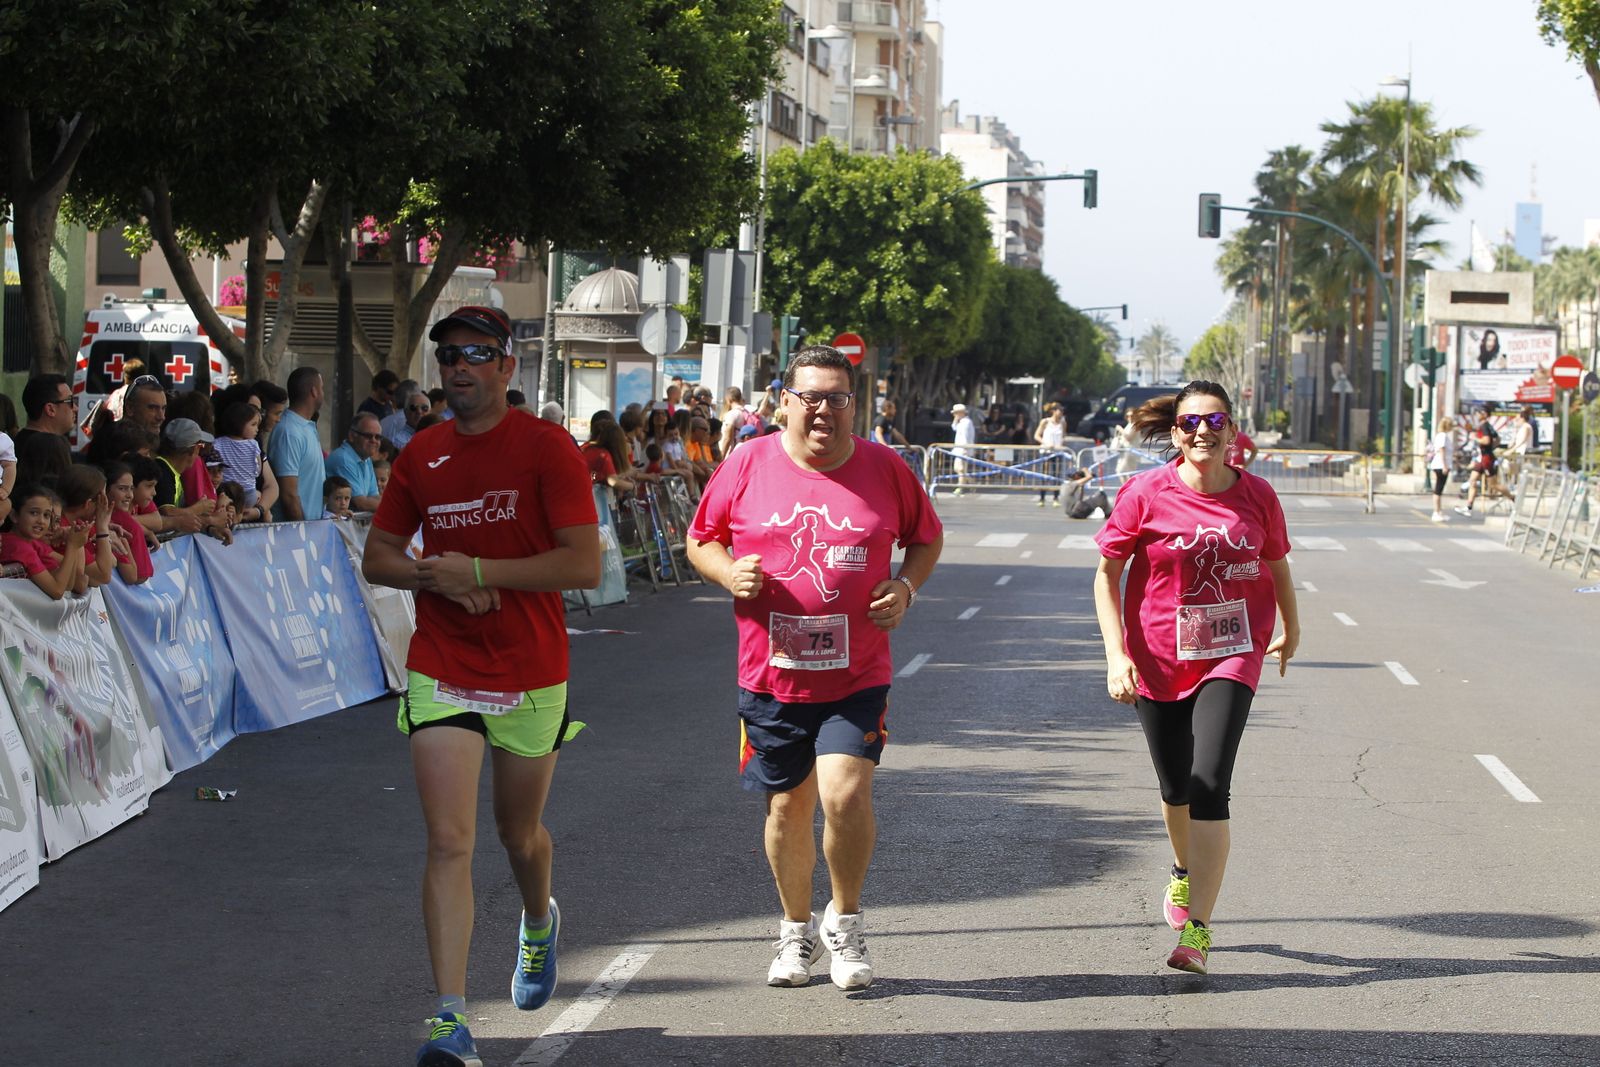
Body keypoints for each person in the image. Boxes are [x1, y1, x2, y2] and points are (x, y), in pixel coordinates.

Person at [361, 304, 600, 1067]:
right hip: (444, 662)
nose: (458, 366)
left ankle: (537, 922)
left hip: (530, 666)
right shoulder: (421, 454)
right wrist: (437, 575)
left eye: (475, 353)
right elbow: (380, 556)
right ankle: (450, 1019)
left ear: (507, 367)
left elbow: (581, 565)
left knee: (516, 834)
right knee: (448, 838)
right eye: (448, 355)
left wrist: (480, 572)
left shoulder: (546, 448)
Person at [685, 345, 944, 992]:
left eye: (837, 397)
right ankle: (794, 931)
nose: (824, 410)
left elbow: (927, 536)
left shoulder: (886, 468)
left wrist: (905, 588)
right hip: (770, 674)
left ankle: (847, 921)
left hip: (855, 672)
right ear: (785, 404)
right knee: (786, 809)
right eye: (811, 397)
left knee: (845, 792)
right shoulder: (747, 461)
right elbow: (701, 538)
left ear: (854, 403)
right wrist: (726, 571)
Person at [1092, 381, 1299, 977]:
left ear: (1233, 431)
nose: (1202, 432)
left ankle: (1199, 932)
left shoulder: (1258, 495)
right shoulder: (1144, 494)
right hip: (1157, 655)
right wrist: (1116, 654)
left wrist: (1292, 625)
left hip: (1233, 650)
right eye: (1190, 424)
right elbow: (1107, 576)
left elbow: (1277, 563)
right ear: (1176, 434)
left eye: (1215, 421)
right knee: (1176, 785)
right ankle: (1183, 871)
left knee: (1210, 781)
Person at [1, 486, 87, 599]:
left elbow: (69, 585)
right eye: (34, 513)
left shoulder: (34, 544)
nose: (41, 521)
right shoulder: (18, 546)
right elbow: (57, 591)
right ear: (14, 515)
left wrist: (75, 546)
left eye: (46, 515)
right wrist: (72, 546)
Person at [267, 367, 326, 522]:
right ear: (314, 391)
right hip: (295, 536)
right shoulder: (289, 431)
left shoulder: (306, 426)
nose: (323, 393)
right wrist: (302, 531)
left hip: (312, 531)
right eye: (322, 388)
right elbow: (289, 494)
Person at [14, 374, 76, 489]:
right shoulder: (50, 449)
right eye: (70, 401)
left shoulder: (14, 443)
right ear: (50, 409)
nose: (75, 408)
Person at [214, 402, 269, 523]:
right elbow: (258, 470)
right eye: (253, 424)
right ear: (239, 424)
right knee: (259, 495)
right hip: (249, 496)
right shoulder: (253, 445)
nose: (257, 429)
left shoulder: (217, 443)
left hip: (225, 493)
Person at [103, 461, 154, 584]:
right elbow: (139, 576)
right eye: (122, 489)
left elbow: (141, 575)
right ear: (105, 489)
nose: (129, 495)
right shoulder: (126, 524)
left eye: (131, 489)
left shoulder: (127, 523)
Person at [324, 413, 383, 512]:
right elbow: (362, 503)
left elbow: (374, 496)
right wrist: (396, 508)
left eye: (378, 437)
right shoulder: (343, 459)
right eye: (368, 436)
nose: (374, 441)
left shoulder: (366, 458)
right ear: (352, 436)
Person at [1455, 409, 1500, 518]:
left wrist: (1476, 438)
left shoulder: (1484, 426)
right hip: (1482, 458)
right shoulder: (1487, 426)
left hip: (1486, 458)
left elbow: (1487, 440)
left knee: (1493, 485)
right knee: (1473, 480)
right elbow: (1497, 438)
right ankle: (1469, 507)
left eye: (1477, 413)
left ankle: (1512, 498)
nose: (1476, 415)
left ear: (1484, 414)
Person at [1033, 404, 1068, 505]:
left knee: (1056, 474)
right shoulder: (1045, 422)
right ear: (1054, 411)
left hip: (1057, 452)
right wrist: (1046, 443)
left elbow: (1064, 435)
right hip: (1046, 451)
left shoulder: (1062, 422)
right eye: (1059, 411)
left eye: (1062, 412)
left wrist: (1062, 443)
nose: (1061, 413)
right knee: (1044, 474)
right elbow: (1036, 435)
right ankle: (1042, 498)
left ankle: (1055, 498)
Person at [382, 383, 432, 452]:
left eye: (424, 408)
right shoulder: (398, 442)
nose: (419, 412)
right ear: (405, 412)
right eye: (413, 408)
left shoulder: (433, 435)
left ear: (430, 412)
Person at [1425, 416, 1456, 523]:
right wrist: (1444, 465)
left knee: (1439, 489)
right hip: (1440, 465)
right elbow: (1442, 450)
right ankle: (1436, 512)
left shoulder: (1441, 435)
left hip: (1440, 464)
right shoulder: (1442, 436)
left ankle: (1439, 511)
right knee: (1438, 489)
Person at [950, 402, 975, 495]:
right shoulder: (961, 422)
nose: (954, 415)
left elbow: (965, 436)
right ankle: (971, 482)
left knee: (960, 469)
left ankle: (960, 487)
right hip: (959, 449)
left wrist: (965, 449)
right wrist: (955, 420)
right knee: (958, 469)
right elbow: (954, 428)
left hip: (963, 449)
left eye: (956, 413)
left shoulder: (966, 422)